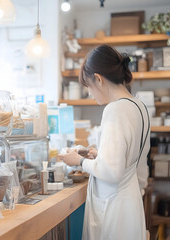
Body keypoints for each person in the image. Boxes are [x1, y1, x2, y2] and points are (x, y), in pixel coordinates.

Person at [58, 44, 150, 240]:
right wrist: (99, 156)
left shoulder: (115, 109)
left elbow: (112, 172)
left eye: (89, 87)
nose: (90, 94)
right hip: (130, 202)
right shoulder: (139, 106)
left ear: (99, 79)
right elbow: (134, 161)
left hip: (114, 206)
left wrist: (79, 161)